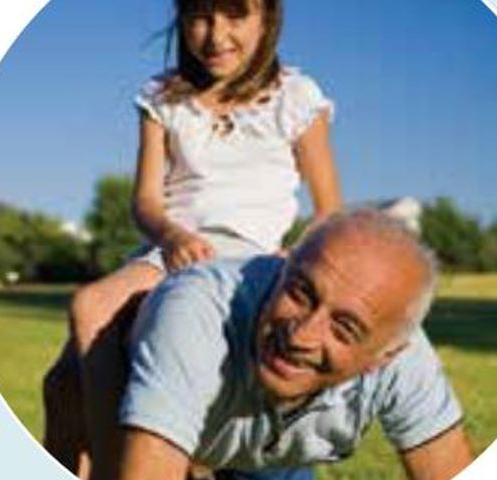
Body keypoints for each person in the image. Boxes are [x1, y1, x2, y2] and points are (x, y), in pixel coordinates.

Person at [43, 0, 341, 477]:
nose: (215, 34)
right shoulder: (163, 99)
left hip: (251, 261)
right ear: (182, 20)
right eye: (201, 17)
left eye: (235, 16)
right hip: (172, 249)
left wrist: (295, 256)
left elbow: (329, 210)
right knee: (71, 360)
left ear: (266, 19)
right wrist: (172, 235)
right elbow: (146, 202)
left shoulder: (296, 97)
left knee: (83, 367)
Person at [115, 210, 473, 480]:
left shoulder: (404, 352)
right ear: (282, 265)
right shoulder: (198, 308)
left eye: (344, 328)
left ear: (386, 356)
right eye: (301, 293)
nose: (301, 336)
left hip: (273, 461)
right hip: (129, 427)